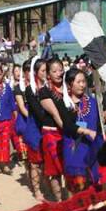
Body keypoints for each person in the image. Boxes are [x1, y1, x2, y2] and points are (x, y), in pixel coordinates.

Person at [58, 68, 101, 192]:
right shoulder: (64, 103)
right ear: (70, 84)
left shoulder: (92, 102)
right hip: (74, 148)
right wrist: (88, 131)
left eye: (84, 81)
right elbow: (68, 125)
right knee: (77, 186)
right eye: (79, 82)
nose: (82, 85)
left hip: (91, 146)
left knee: (92, 185)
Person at [0, 63, 24, 174]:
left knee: (5, 143)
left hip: (7, 119)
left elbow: (12, 104)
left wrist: (16, 118)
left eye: (0, 74)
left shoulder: (7, 88)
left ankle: (5, 164)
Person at [38, 58, 68, 201]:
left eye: (60, 70)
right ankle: (59, 201)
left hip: (69, 132)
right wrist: (72, 130)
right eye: (54, 71)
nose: (58, 73)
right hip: (52, 133)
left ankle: (70, 200)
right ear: (48, 74)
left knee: (71, 169)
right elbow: (56, 115)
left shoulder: (70, 88)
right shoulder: (44, 92)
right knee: (55, 171)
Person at [14, 59, 44, 200]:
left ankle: (37, 182)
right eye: (25, 71)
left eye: (29, 70)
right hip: (26, 123)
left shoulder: (41, 86)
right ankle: (36, 187)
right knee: (29, 158)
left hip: (40, 124)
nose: (27, 73)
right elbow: (21, 107)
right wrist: (36, 117)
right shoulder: (19, 88)